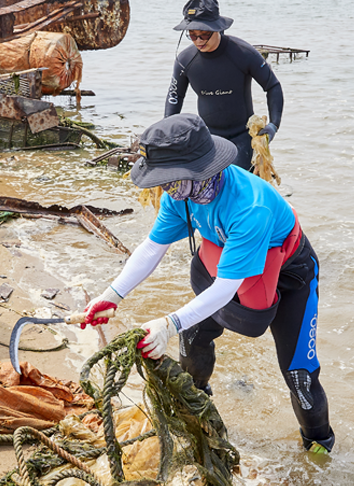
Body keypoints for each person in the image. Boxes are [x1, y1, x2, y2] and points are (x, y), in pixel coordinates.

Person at [81, 115, 334, 453]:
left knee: (300, 379)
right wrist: (111, 295)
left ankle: (319, 456)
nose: (167, 190)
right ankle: (197, 411)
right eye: (163, 182)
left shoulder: (250, 207)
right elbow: (152, 248)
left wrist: (167, 324)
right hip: (232, 267)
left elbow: (226, 288)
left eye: (173, 181)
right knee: (193, 335)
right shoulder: (180, 194)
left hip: (291, 277)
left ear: (203, 170)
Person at [165, 0, 283, 171]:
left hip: (242, 137)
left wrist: (274, 124)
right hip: (208, 138)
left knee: (237, 188)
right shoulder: (185, 60)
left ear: (218, 28)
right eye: (192, 35)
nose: (198, 40)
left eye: (204, 34)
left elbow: (272, 86)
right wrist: (168, 133)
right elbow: (175, 96)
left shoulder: (243, 53)